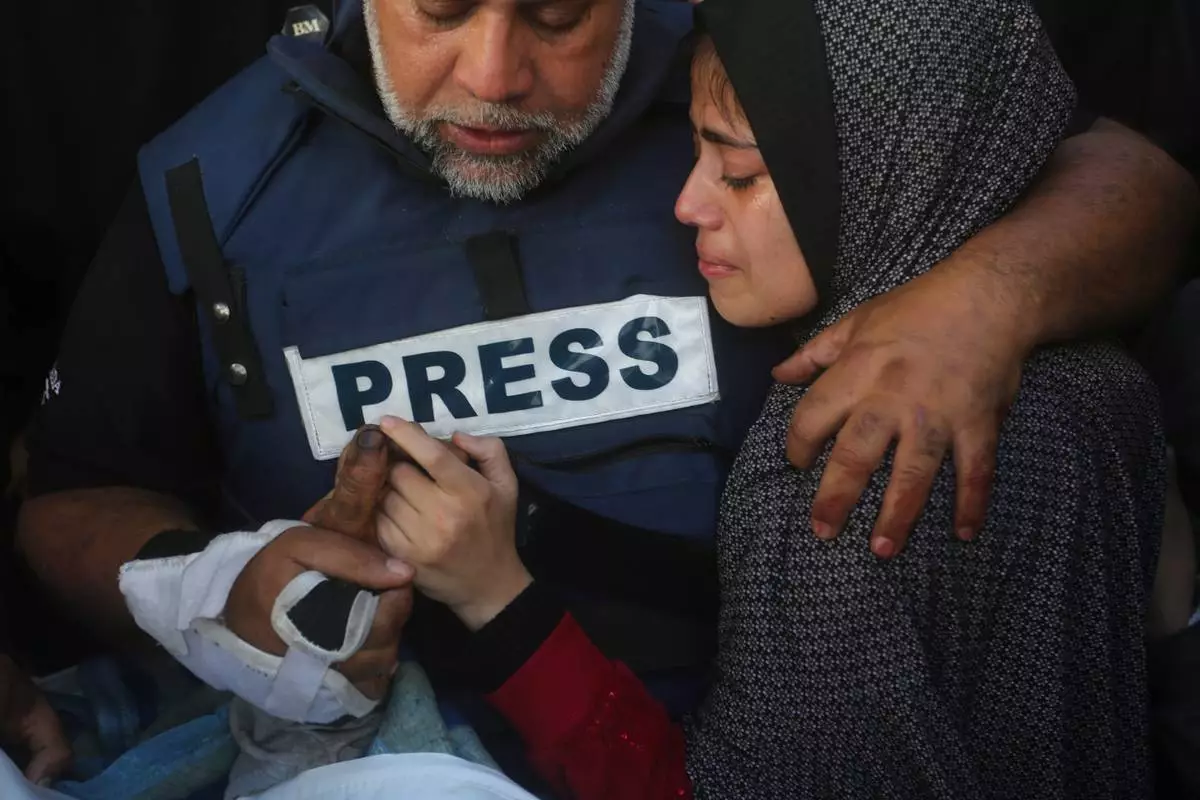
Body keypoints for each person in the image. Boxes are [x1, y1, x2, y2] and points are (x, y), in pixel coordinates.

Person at [15, 0, 1196, 789]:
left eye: (558, 13)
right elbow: (71, 493)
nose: (494, 74)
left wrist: (984, 300)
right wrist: (214, 586)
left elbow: (1108, 168)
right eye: (440, 11)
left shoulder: (755, 64)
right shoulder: (211, 181)